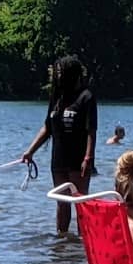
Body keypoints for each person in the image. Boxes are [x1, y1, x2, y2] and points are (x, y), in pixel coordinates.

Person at [21, 56, 98, 235]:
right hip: (59, 160)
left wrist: (88, 158)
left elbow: (91, 131)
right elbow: (47, 127)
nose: (58, 77)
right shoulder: (57, 97)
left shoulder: (86, 97)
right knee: (62, 203)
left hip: (79, 160)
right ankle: (62, 241)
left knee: (80, 203)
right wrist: (30, 152)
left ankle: (83, 241)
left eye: (61, 73)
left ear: (72, 74)